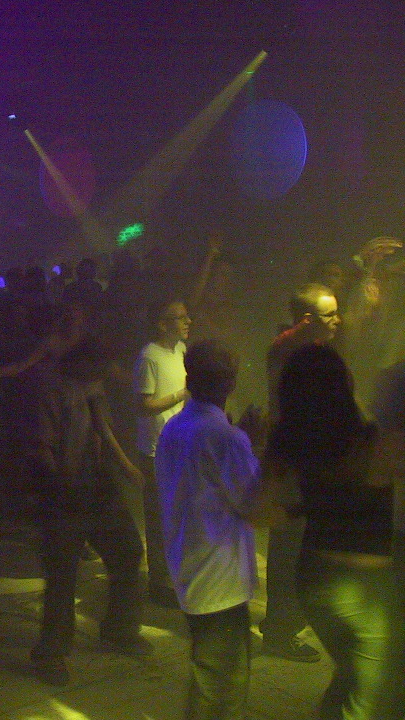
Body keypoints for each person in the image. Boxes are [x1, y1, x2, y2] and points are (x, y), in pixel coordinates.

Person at [269, 344, 403, 720]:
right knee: (374, 702)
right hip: (365, 588)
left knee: (350, 676)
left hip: (313, 579)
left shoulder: (289, 440)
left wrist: (301, 506)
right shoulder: (370, 440)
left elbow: (261, 514)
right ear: (344, 382)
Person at [29, 302, 151, 686]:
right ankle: (50, 653)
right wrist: (59, 488)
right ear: (85, 363)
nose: (105, 373)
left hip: (97, 484)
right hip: (62, 490)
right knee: (62, 574)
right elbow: (42, 447)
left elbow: (102, 427)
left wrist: (124, 466)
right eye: (100, 367)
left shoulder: (91, 384)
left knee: (127, 551)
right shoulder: (53, 387)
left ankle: (119, 630)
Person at [154, 340, 274, 720]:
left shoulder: (174, 427)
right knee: (223, 688)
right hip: (218, 579)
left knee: (209, 676)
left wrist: (242, 439)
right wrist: (254, 444)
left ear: (190, 379)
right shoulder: (226, 438)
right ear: (230, 384)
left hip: (189, 567)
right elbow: (254, 504)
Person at [259, 283, 339, 663]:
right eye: (329, 314)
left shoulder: (304, 346)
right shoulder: (291, 353)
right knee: (289, 550)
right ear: (307, 319)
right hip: (294, 465)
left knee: (295, 547)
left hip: (300, 462)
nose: (338, 320)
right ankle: (279, 632)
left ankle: (283, 623)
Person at [133, 297, 191, 608]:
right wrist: (182, 394)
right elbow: (143, 406)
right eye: (179, 317)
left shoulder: (180, 350)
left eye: (186, 316)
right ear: (161, 324)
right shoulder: (149, 357)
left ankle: (174, 577)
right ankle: (159, 583)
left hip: (179, 445)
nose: (187, 321)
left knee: (178, 516)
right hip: (156, 451)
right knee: (159, 519)